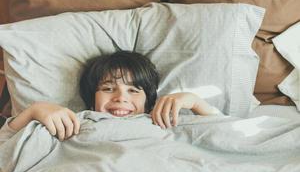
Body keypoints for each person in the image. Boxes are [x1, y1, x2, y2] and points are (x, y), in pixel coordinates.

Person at [1, 51, 219, 142]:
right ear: (91, 96)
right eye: (107, 88)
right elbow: (5, 148)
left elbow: (223, 133)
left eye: (133, 90)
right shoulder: (73, 123)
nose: (120, 97)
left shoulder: (162, 121)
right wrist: (33, 111)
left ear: (149, 101)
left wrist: (195, 101)